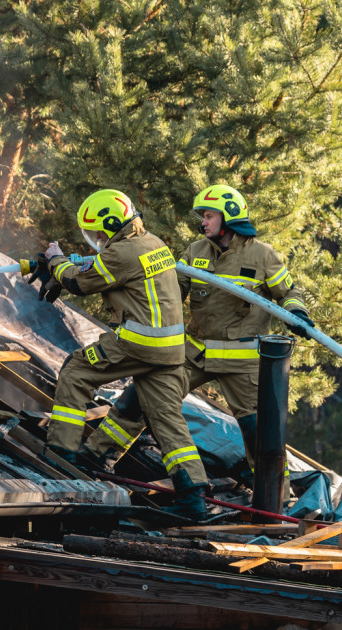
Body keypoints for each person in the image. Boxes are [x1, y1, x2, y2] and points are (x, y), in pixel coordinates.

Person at [82, 184, 313, 488]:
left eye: (208, 215)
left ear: (229, 217)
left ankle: (274, 501)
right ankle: (96, 456)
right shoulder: (195, 252)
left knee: (261, 433)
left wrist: (297, 313)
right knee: (139, 398)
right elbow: (170, 290)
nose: (202, 222)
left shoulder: (263, 256)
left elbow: (289, 292)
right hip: (194, 353)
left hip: (242, 361)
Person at [35, 188, 211, 519]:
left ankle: (61, 454)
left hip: (140, 343)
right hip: (172, 349)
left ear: (114, 223)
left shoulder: (121, 254)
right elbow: (103, 268)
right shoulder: (153, 244)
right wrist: (67, 267)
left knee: (76, 371)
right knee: (165, 417)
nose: (97, 239)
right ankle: (193, 495)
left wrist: (55, 260)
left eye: (99, 232)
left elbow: (81, 283)